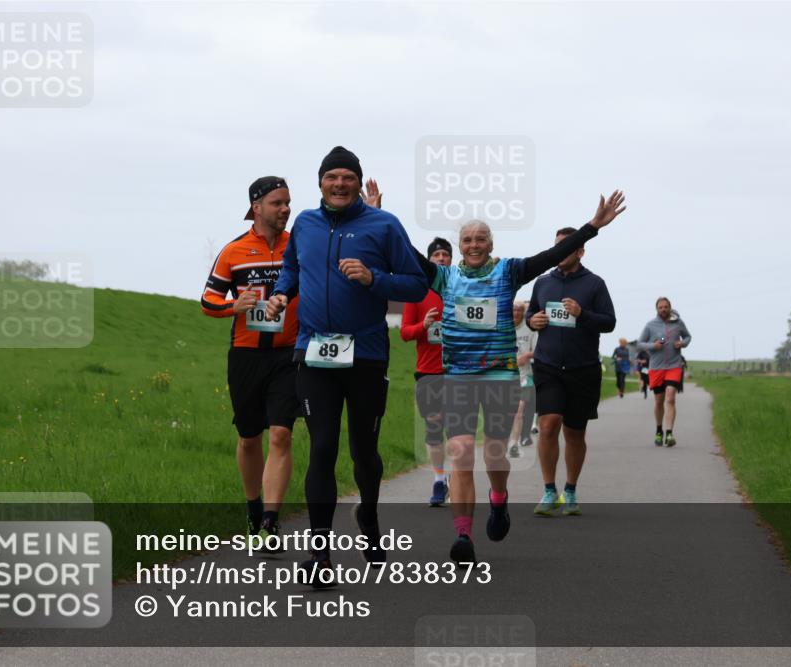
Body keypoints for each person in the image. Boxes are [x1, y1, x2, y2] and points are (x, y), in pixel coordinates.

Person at [414, 191, 627, 564]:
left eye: (481, 239)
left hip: (499, 376)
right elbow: (406, 255)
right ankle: (463, 535)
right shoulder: (443, 277)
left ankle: (499, 499)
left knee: (495, 452)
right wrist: (374, 215)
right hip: (459, 376)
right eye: (467, 240)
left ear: (491, 244)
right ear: (459, 246)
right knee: (461, 451)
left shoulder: (508, 271)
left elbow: (548, 256)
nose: (474, 244)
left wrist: (592, 227)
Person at [267, 147, 428, 585]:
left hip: (367, 356)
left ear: (359, 182)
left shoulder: (384, 225)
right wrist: (282, 293)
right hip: (314, 353)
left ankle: (370, 523)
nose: (339, 184)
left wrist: (374, 278)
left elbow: (417, 285)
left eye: (347, 177)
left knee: (363, 450)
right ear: (320, 182)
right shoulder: (305, 223)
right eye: (331, 177)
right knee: (321, 449)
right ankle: (320, 558)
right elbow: (291, 268)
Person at [200, 176, 300, 550]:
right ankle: (253, 507)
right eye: (277, 203)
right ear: (256, 207)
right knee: (248, 439)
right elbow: (208, 301)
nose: (285, 209)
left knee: (281, 434)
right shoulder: (234, 251)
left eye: (288, 202)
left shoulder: (298, 247)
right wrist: (233, 306)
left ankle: (271, 524)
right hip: (245, 355)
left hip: (289, 354)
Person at [526, 227, 618, 517]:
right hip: (548, 365)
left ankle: (570, 489)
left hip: (583, 368)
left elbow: (609, 322)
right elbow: (531, 314)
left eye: (566, 247)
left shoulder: (594, 284)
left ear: (580, 251)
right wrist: (533, 321)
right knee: (549, 424)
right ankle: (549, 489)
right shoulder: (542, 282)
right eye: (556, 246)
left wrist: (583, 314)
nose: (559, 252)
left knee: (575, 433)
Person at [400, 237, 453, 507]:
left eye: (446, 255)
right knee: (434, 427)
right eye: (436, 255)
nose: (441, 259)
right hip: (428, 371)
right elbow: (405, 333)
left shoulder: (458, 290)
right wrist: (424, 324)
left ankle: (455, 476)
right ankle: (438, 480)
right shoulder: (417, 292)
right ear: (429, 260)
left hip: (457, 371)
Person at [636, 297, 692, 447]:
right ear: (657, 309)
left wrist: (683, 343)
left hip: (674, 366)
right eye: (660, 307)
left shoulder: (678, 323)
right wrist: (653, 346)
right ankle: (659, 430)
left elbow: (688, 336)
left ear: (670, 307)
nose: (663, 309)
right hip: (656, 368)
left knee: (671, 397)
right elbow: (639, 344)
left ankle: (669, 434)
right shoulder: (650, 325)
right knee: (659, 401)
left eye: (666, 307)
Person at [508, 301, 538, 458]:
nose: (516, 313)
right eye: (513, 309)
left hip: (524, 376)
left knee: (519, 409)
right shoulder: (504, 326)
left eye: (519, 310)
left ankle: (514, 443)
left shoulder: (530, 328)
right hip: (505, 375)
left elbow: (538, 350)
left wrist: (526, 356)